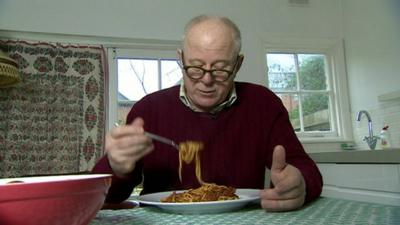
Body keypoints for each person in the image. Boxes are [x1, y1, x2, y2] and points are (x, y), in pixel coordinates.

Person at [92, 14, 323, 212]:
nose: (206, 80)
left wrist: (300, 182)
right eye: (195, 67)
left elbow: (306, 170)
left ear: (238, 64)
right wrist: (116, 166)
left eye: (221, 69)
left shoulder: (263, 103)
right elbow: (105, 196)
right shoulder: (149, 109)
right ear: (180, 58)